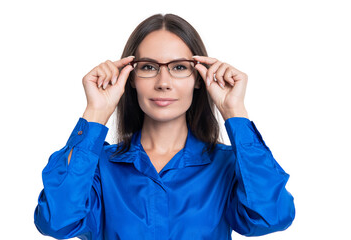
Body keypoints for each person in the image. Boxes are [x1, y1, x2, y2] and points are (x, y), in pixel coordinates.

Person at [34, 13, 295, 240]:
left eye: (179, 67)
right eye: (148, 67)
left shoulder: (226, 166)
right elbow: (57, 222)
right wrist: (96, 113)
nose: (163, 82)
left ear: (198, 78)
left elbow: (270, 216)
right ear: (131, 77)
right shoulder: (99, 167)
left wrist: (234, 112)